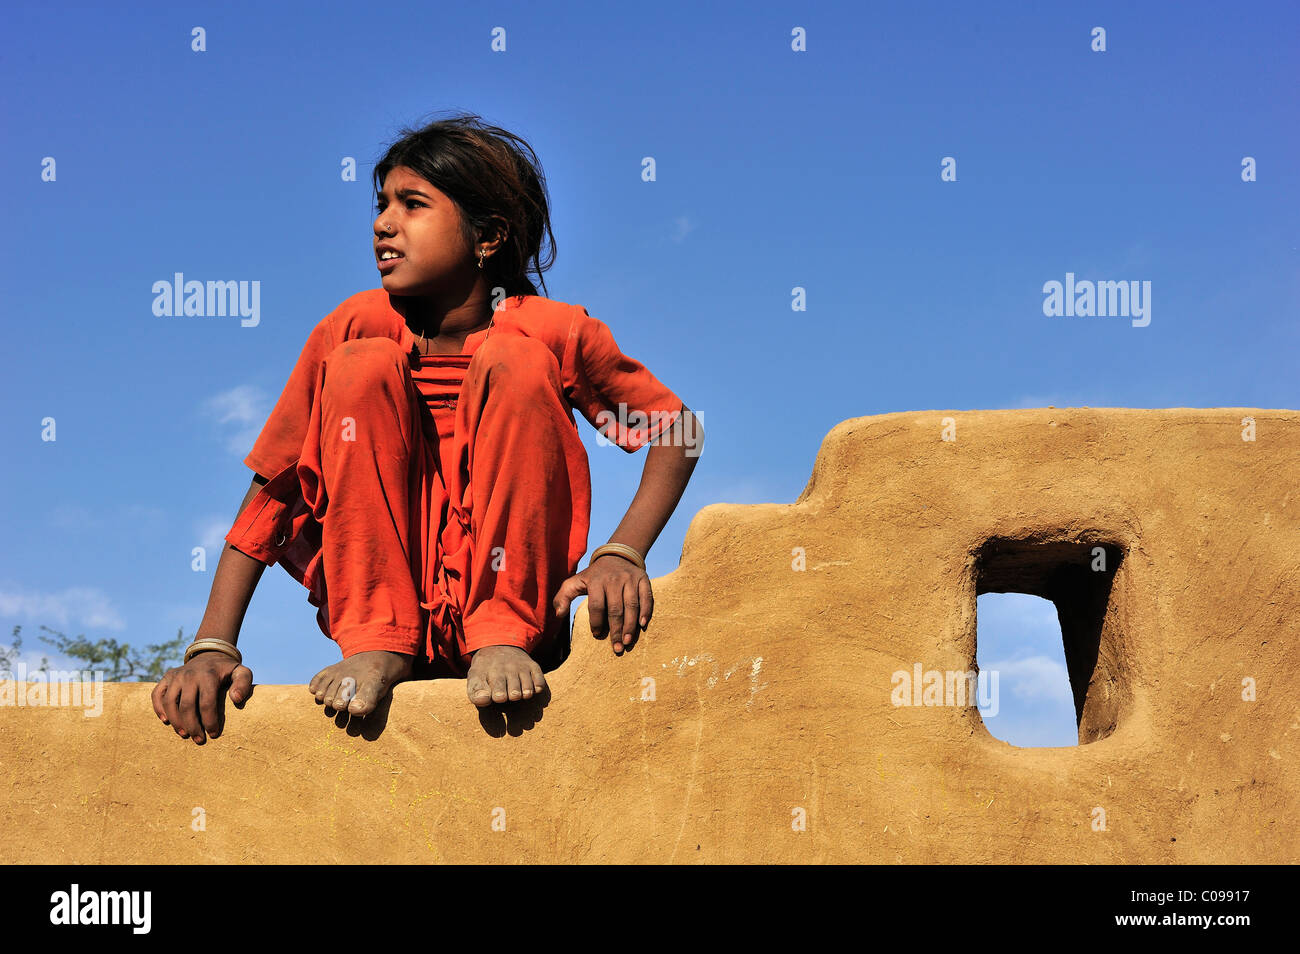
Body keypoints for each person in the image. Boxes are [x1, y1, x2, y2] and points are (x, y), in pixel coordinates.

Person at [151, 112, 703, 744]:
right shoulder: (353, 327)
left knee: (515, 361)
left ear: (487, 237)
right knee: (359, 369)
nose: (384, 223)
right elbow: (275, 489)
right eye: (382, 204)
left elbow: (677, 431)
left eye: (413, 205)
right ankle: (380, 640)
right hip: (382, 614)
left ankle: (500, 630)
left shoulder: (553, 330)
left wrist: (621, 553)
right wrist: (212, 645)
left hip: (516, 626)